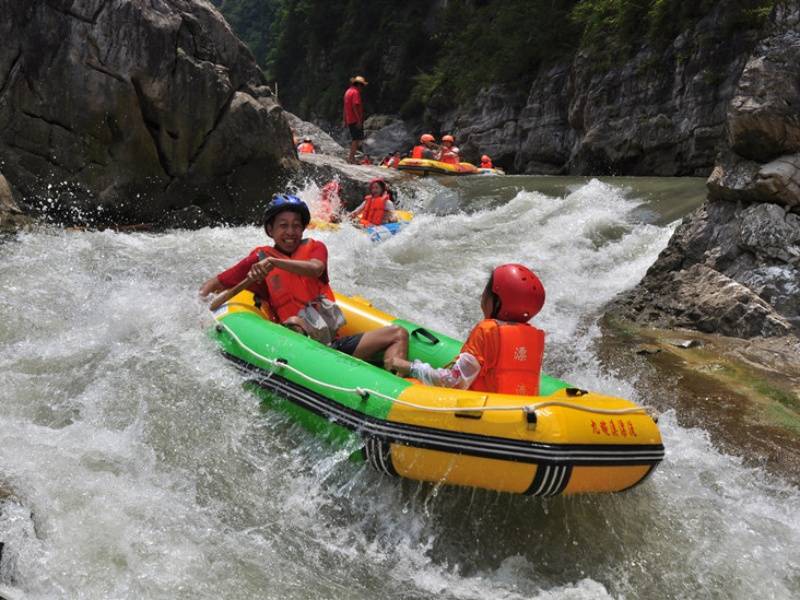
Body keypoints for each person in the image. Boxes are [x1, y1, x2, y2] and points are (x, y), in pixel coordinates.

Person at [200, 195, 408, 367]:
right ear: (270, 230)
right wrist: (198, 308)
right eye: (283, 226)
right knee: (295, 322)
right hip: (296, 343)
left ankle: (399, 368)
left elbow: (315, 268)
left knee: (399, 333)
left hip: (330, 343)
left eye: (296, 226)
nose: (290, 232)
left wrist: (276, 262)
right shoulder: (259, 260)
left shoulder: (316, 248)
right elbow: (214, 284)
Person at [389, 264, 545, 396]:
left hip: (478, 411)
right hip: (512, 412)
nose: (482, 296)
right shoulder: (533, 339)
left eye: (487, 291)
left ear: (497, 301)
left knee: (405, 384)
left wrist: (409, 367)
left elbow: (451, 381)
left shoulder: (487, 332)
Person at [343, 75, 367, 164]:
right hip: (355, 119)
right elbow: (355, 106)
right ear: (359, 85)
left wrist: (344, 119)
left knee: (355, 138)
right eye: (362, 86)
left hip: (349, 118)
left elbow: (345, 107)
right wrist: (359, 120)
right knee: (356, 139)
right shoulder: (355, 92)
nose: (362, 89)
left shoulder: (347, 92)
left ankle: (351, 158)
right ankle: (351, 158)